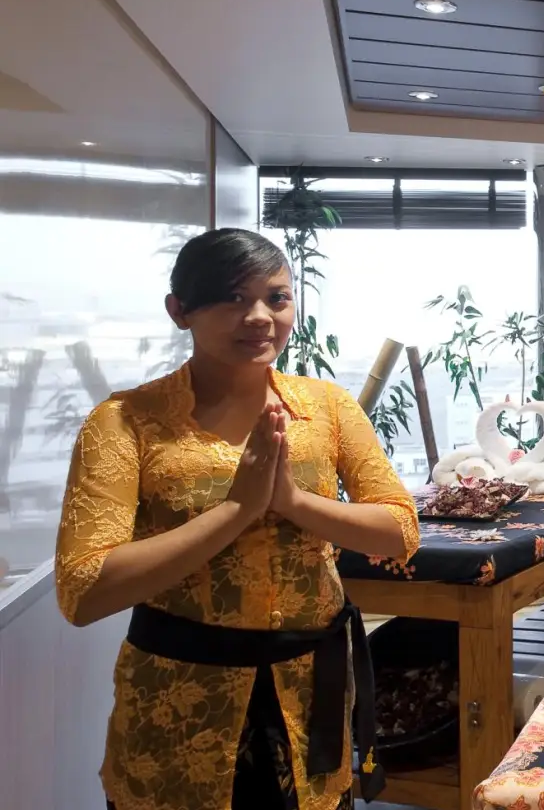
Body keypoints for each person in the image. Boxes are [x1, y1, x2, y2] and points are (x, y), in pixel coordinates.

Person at [54, 228, 420, 810]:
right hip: (179, 700)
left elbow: (400, 532)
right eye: (232, 298)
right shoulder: (125, 422)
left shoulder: (326, 407)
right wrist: (236, 510)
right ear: (179, 310)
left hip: (310, 694)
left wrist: (293, 502)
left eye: (277, 298)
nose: (259, 317)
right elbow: (84, 590)